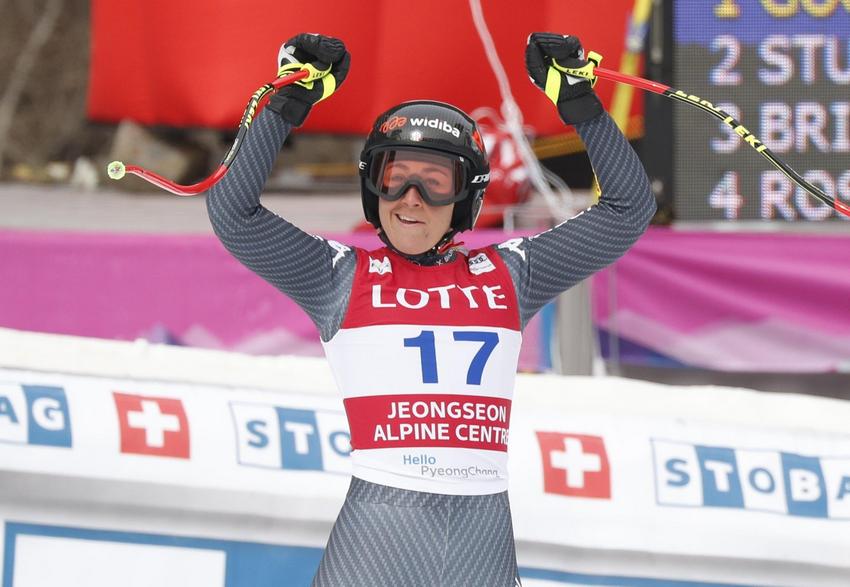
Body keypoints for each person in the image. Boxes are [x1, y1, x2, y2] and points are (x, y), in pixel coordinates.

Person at [207, 32, 655, 587]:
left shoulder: (514, 274)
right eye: (395, 179)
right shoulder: (338, 278)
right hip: (377, 539)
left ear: (465, 197)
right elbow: (232, 212)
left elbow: (629, 209)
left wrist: (580, 104)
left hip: (481, 543)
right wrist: (286, 102)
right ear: (374, 190)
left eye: (435, 182)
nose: (411, 198)